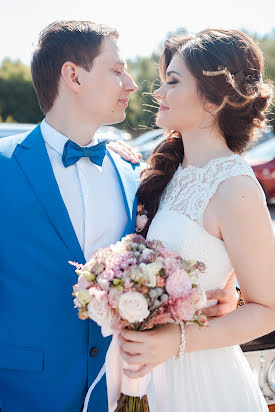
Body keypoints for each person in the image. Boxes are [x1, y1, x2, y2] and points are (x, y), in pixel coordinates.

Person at [0, 21, 238, 412]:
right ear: (73, 76)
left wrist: (226, 290)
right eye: (116, 70)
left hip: (123, 389)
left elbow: (189, 237)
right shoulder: (4, 166)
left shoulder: (136, 172)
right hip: (23, 392)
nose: (131, 84)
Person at [119, 29, 275, 411]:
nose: (158, 93)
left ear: (215, 98)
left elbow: (269, 309)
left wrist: (176, 340)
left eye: (172, 82)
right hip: (148, 377)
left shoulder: (234, 185)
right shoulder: (166, 172)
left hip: (203, 382)